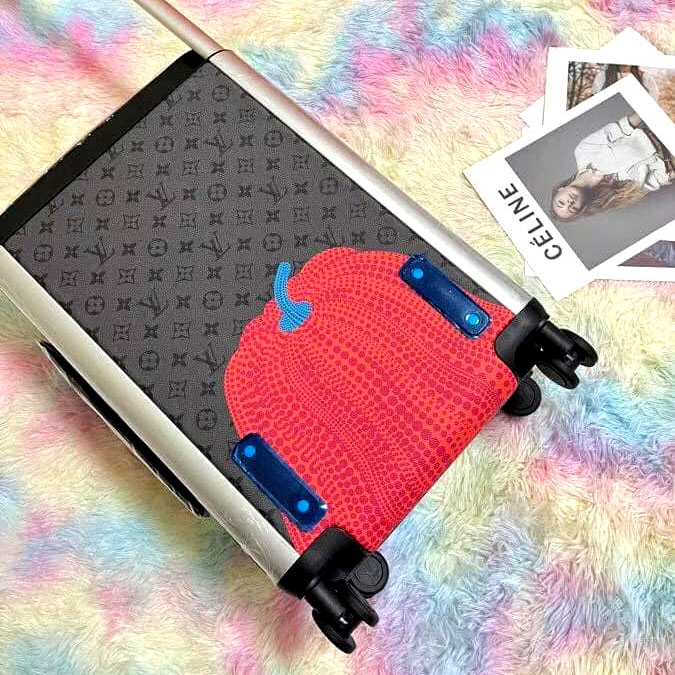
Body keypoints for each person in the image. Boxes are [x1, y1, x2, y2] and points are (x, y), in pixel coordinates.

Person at [550, 112, 673, 221]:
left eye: (561, 202)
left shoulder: (583, 152)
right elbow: (657, 179)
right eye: (573, 208)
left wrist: (650, 108)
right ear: (582, 206)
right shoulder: (614, 197)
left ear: (560, 189)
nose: (569, 203)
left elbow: (623, 126)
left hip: (658, 124)